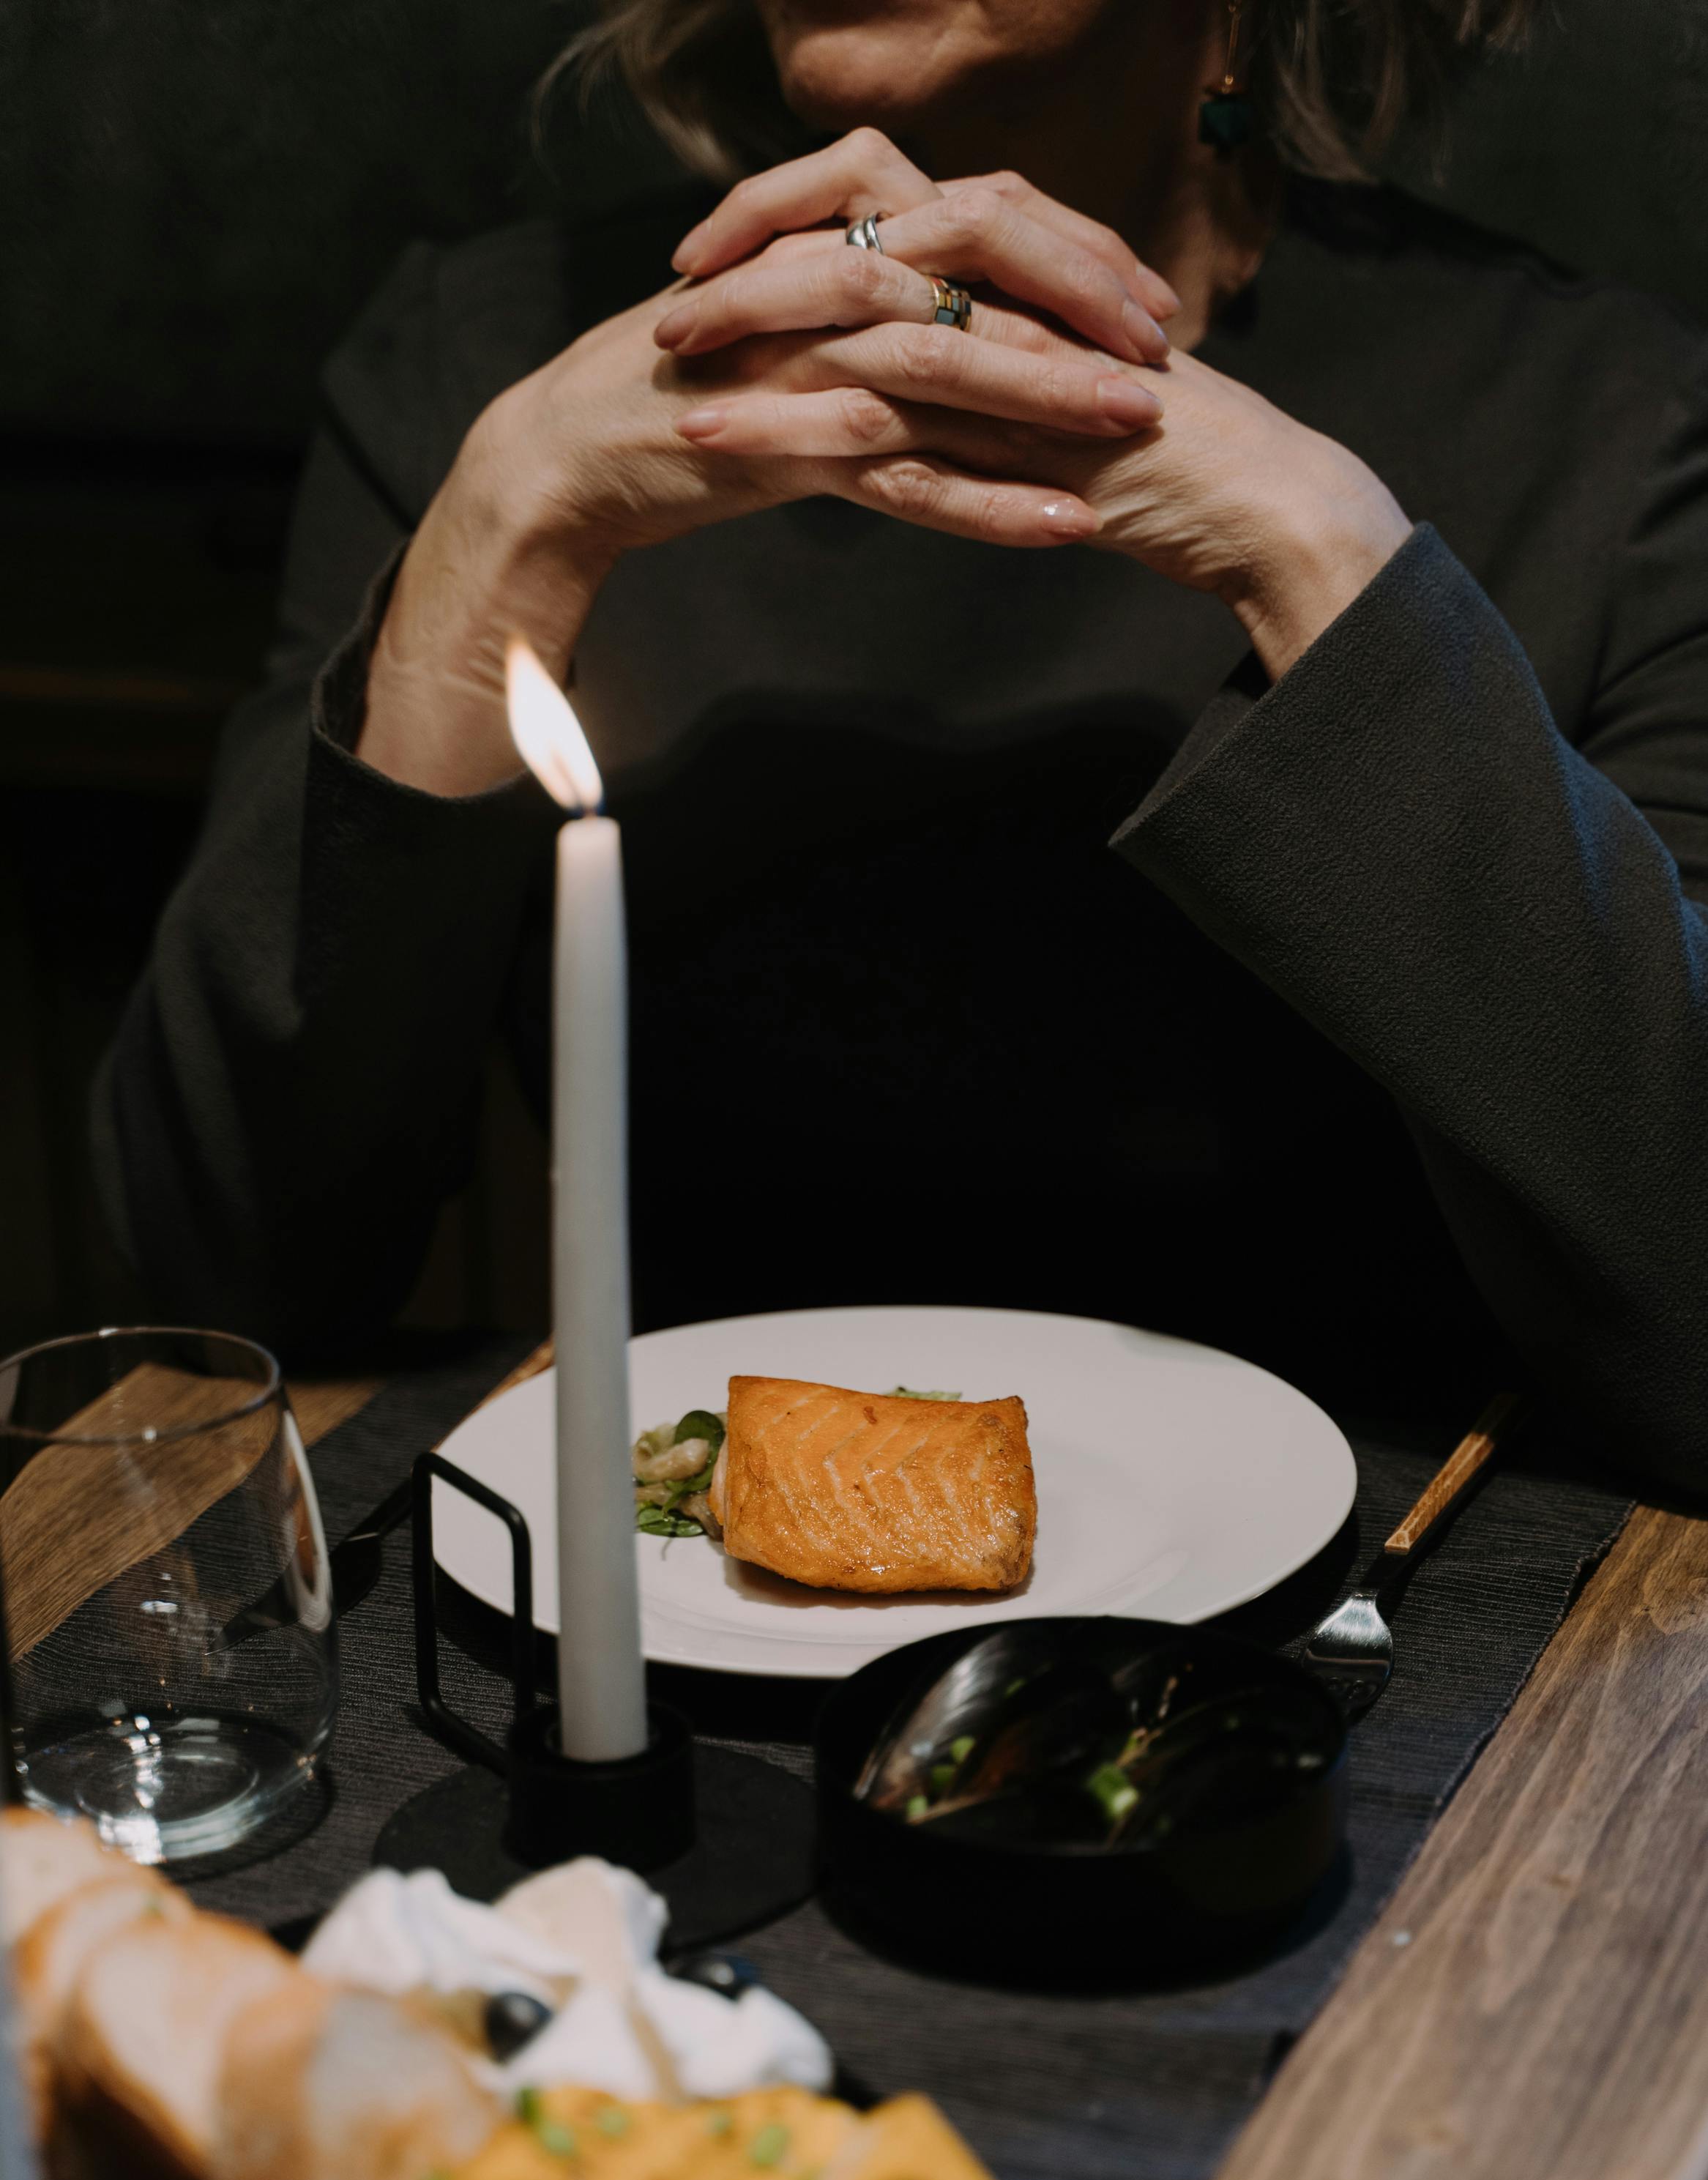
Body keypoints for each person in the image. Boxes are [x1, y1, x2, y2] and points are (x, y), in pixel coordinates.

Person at [97, 0, 1708, 1487]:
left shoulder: (1608, 425)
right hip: (684, 1580)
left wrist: (1326, 560)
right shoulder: (497, 362)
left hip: (1388, 1636)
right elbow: (219, 1285)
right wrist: (496, 538)